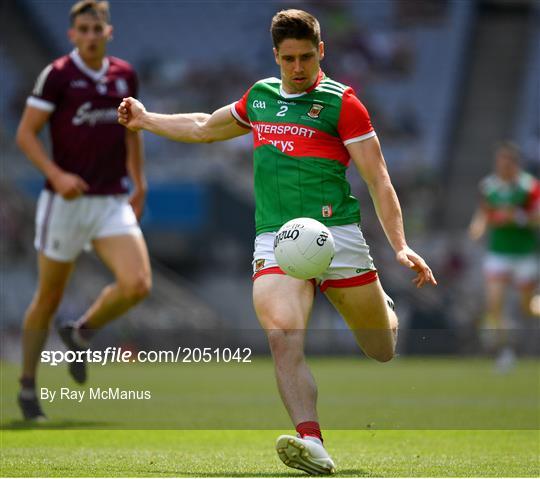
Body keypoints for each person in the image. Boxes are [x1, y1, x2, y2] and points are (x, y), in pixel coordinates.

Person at [118, 9, 436, 475]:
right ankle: (313, 443)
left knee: (381, 349)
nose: (299, 67)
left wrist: (400, 245)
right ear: (276, 57)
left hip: (339, 236)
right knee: (282, 335)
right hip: (278, 240)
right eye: (289, 59)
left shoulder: (343, 104)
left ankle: (381, 305)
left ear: (322, 51)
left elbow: (378, 178)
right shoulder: (260, 98)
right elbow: (206, 126)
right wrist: (146, 119)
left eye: (307, 57)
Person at [15, 0, 151, 421]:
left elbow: (133, 132)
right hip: (66, 203)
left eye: (98, 29)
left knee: (138, 284)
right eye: (84, 30)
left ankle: (80, 333)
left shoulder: (124, 75)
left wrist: (139, 181)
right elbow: (26, 134)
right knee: (49, 296)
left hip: (110, 199)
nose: (91, 35)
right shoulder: (58, 75)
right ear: (73, 35)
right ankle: (27, 386)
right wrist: (56, 174)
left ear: (109, 33)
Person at [469, 141, 539, 371]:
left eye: (507, 162)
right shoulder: (489, 186)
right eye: (499, 162)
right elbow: (484, 212)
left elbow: (537, 218)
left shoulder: (529, 187)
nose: (502, 166)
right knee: (495, 304)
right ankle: (506, 351)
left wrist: (517, 217)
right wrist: (477, 227)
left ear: (515, 164)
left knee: (527, 307)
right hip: (498, 253)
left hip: (524, 254)